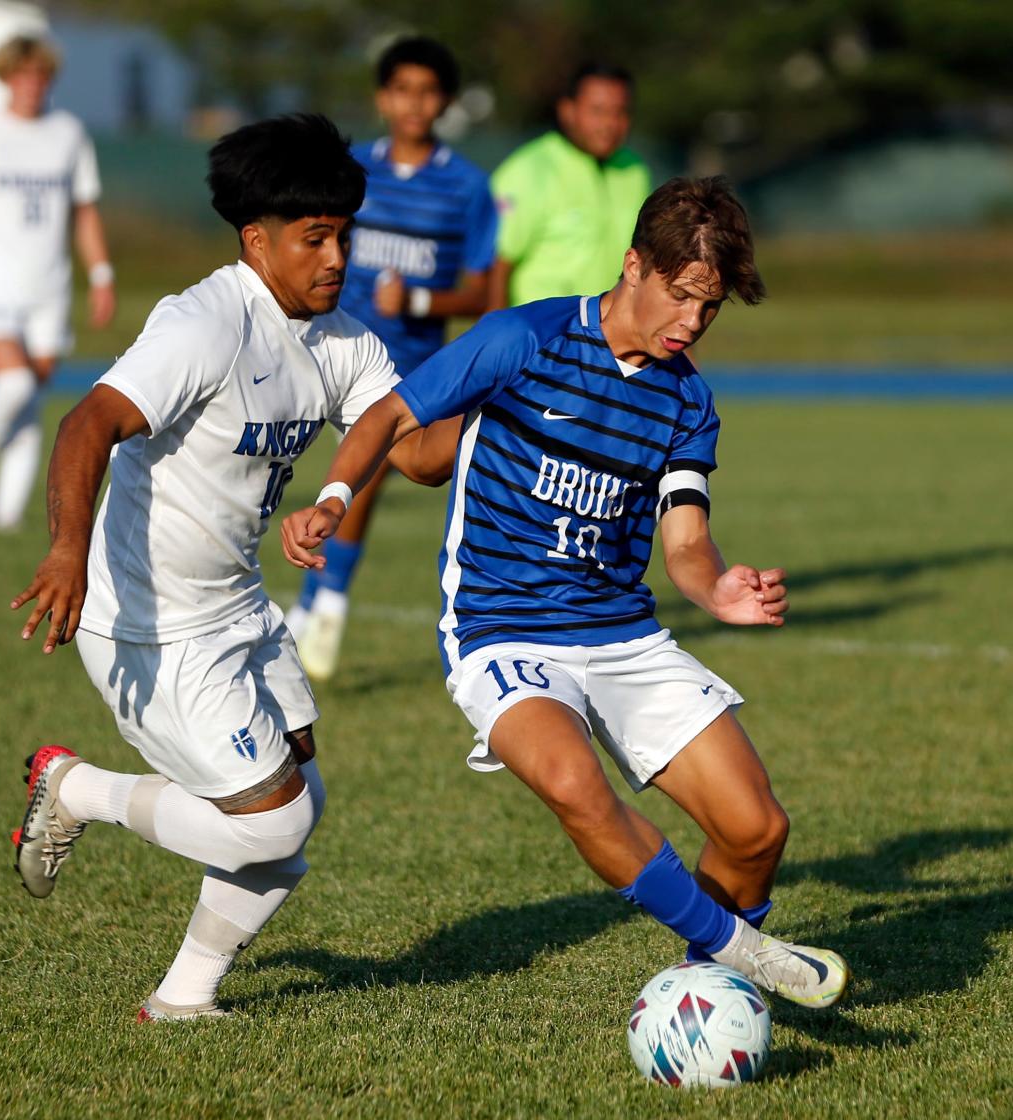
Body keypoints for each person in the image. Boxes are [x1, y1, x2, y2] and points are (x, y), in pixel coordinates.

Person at [282, 177, 850, 1009]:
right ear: (634, 266)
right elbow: (390, 417)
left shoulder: (688, 399)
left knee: (757, 828)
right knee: (575, 784)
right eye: (683, 297)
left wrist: (718, 589)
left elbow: (686, 541)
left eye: (712, 309)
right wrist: (332, 500)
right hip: (501, 629)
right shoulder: (525, 337)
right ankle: (745, 950)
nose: (692, 323)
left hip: (622, 634)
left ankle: (710, 988)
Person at [9, 114, 454, 1021]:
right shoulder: (205, 323)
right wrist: (66, 548)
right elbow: (86, 423)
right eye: (314, 239)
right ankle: (76, 787)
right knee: (274, 819)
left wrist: (501, 394)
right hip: (148, 621)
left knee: (299, 804)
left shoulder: (341, 339)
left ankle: (182, 997)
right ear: (257, 242)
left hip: (235, 608)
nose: (336, 257)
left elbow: (417, 456)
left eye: (343, 235)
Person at [288, 35, 497, 680]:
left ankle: (321, 608)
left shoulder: (466, 187)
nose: (414, 104)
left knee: (369, 470)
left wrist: (421, 298)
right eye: (402, 89)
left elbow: (482, 289)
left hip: (404, 366)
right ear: (383, 97)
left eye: (428, 92)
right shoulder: (352, 172)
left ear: (447, 103)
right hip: (327, 345)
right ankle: (300, 607)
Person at [0, 33, 115, 533]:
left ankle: (5, 522)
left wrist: (101, 275)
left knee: (31, 402)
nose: (32, 84)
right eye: (22, 74)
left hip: (49, 289)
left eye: (41, 75)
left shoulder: (69, 133)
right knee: (12, 384)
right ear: (6, 77)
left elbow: (85, 212)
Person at [488, 62, 649, 310]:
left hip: (610, 338)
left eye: (620, 112)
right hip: (542, 337)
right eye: (597, 111)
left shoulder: (634, 171)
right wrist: (498, 340)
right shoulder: (528, 170)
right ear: (568, 110)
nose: (609, 123)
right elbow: (495, 267)